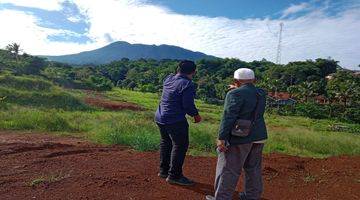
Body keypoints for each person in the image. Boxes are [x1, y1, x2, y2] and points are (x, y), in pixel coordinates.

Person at [206, 68, 268, 200]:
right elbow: (249, 92)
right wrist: (238, 87)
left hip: (241, 136)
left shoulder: (234, 94)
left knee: (229, 169)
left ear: (235, 81)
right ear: (254, 80)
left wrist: (221, 138)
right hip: (259, 135)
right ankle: (251, 196)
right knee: (253, 168)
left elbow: (228, 117)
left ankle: (221, 198)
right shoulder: (262, 93)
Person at [155, 60, 202, 186]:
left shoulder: (168, 78)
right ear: (194, 72)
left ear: (178, 69)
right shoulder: (187, 84)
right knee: (180, 145)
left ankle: (163, 171)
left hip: (160, 117)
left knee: (166, 142)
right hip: (174, 119)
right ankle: (174, 176)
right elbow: (187, 105)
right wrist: (196, 115)